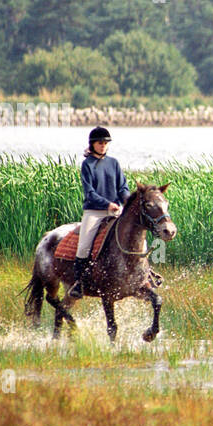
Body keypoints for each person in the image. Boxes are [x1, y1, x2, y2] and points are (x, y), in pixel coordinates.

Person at [68, 126, 128, 299]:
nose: (103, 146)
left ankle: (146, 274)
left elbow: (123, 187)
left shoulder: (114, 163)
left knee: (136, 237)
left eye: (105, 143)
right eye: (100, 143)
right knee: (84, 246)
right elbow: (90, 193)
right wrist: (107, 204)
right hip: (94, 212)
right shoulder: (87, 165)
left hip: (115, 210)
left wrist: (128, 201)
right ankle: (78, 283)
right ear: (92, 144)